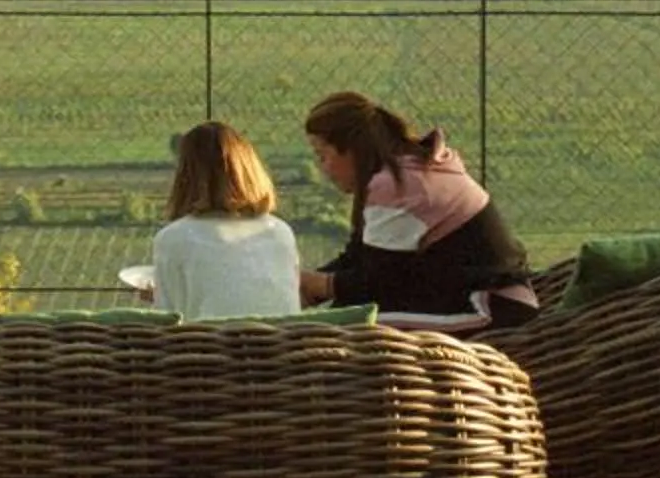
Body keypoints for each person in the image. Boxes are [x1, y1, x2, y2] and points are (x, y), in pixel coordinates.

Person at [298, 91, 537, 330]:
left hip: (490, 307)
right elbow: (362, 259)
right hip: (486, 297)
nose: (322, 168)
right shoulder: (407, 169)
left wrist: (319, 285)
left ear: (352, 150)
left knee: (354, 330)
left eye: (322, 156)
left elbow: (376, 284)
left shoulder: (398, 185)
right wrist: (310, 286)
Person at [150, 121, 302, 319]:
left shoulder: (173, 238)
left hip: (209, 348)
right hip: (282, 346)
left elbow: (168, 319)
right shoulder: (280, 232)